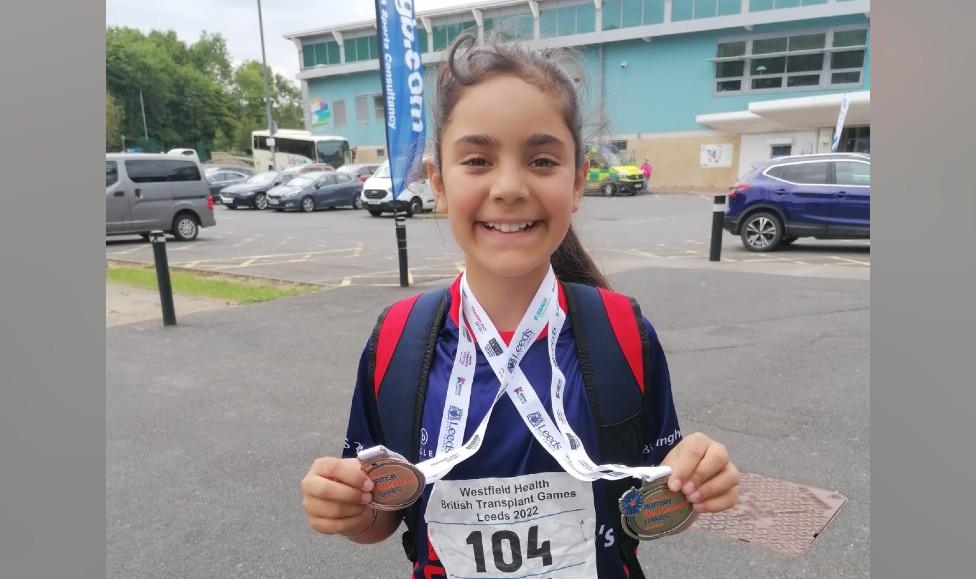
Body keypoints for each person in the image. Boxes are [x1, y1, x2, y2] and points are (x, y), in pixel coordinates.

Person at [301, 33, 739, 578]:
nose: (508, 187)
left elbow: (652, 504)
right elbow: (382, 517)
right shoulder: (397, 340)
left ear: (577, 181)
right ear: (438, 181)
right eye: (478, 159)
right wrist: (348, 510)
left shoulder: (623, 332)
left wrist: (696, 479)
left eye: (541, 160)